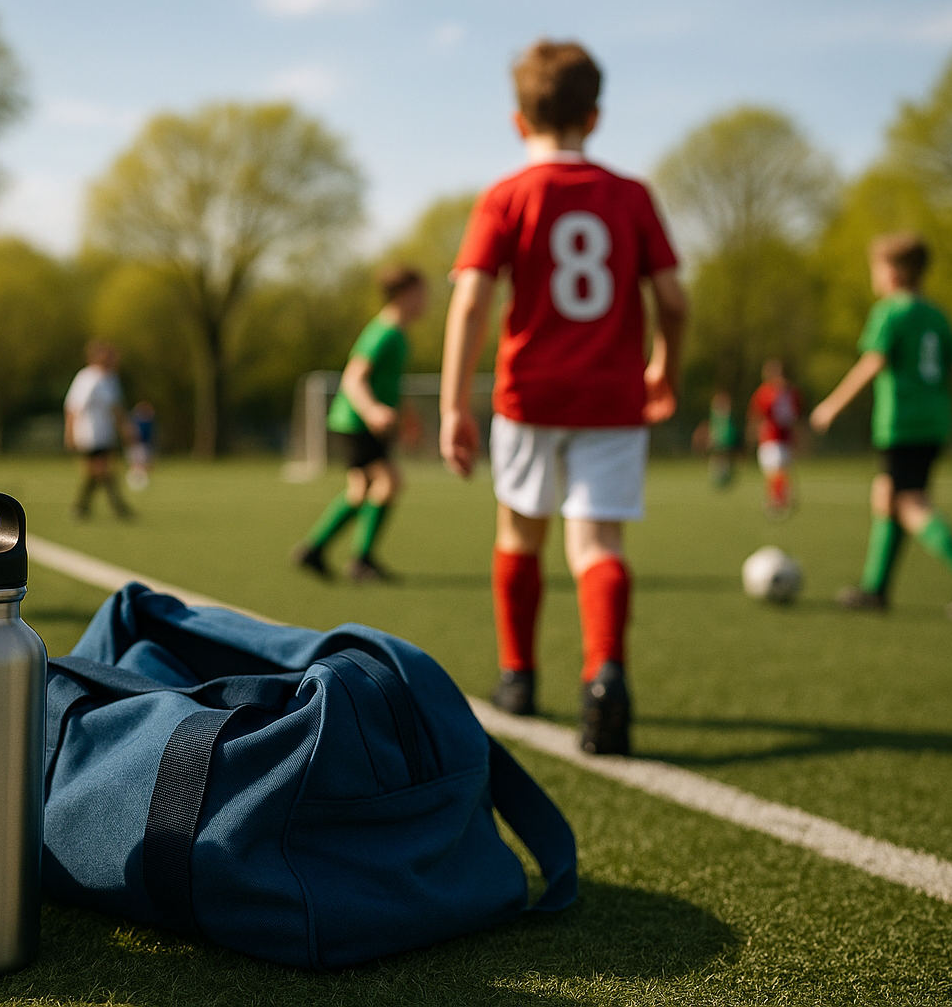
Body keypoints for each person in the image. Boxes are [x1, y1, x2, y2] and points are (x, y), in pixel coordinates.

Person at [438, 40, 687, 752]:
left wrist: (456, 403)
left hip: (529, 398)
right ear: (596, 117)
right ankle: (604, 673)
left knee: (520, 532)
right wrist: (664, 364)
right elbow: (673, 299)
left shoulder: (506, 196)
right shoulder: (632, 195)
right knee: (598, 543)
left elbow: (471, 305)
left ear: (519, 121)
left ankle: (517, 676)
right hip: (613, 399)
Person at [810, 232, 952, 620]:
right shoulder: (937, 315)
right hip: (934, 422)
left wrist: (831, 405)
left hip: (901, 424)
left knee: (909, 502)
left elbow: (872, 362)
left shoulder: (890, 312)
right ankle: (875, 590)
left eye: (877, 269)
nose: (874, 277)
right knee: (886, 497)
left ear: (894, 273)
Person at [293, 265, 428, 583]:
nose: (426, 302)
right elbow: (353, 379)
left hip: (358, 422)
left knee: (360, 490)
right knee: (389, 483)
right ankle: (361, 560)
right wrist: (372, 411)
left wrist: (407, 417)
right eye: (421, 294)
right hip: (356, 422)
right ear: (403, 295)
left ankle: (314, 550)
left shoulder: (400, 333)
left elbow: (390, 384)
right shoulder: (383, 332)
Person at [64, 339, 134, 520]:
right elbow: (73, 407)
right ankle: (118, 508)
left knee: (97, 472)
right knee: (101, 470)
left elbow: (116, 409)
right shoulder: (87, 378)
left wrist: (124, 428)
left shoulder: (111, 379)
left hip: (105, 433)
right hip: (89, 433)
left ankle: (81, 508)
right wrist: (70, 432)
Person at [747, 359, 801, 518]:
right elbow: (756, 416)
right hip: (768, 437)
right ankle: (778, 499)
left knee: (779, 469)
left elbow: (796, 417)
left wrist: (798, 436)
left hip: (784, 438)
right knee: (772, 471)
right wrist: (753, 434)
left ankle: (779, 500)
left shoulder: (791, 393)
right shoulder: (764, 393)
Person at [693, 390, 739, 489]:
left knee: (725, 458)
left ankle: (724, 477)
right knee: (718, 457)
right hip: (719, 439)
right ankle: (719, 477)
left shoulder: (726, 417)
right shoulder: (716, 416)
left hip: (726, 439)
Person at [126, 400, 155, 491]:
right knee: (136, 464)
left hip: (144, 445)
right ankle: (135, 481)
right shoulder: (135, 421)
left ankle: (140, 482)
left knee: (143, 464)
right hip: (137, 445)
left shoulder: (148, 422)